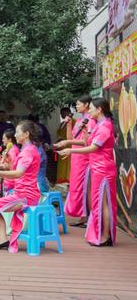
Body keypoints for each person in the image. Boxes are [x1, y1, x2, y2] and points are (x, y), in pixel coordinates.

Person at [57, 98, 116, 247]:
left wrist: (70, 149)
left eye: (91, 109)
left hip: (103, 168)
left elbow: (93, 148)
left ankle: (105, 236)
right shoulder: (99, 125)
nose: (89, 112)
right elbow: (87, 142)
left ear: (99, 109)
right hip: (97, 167)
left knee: (103, 204)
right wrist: (83, 134)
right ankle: (101, 234)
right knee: (98, 203)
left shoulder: (105, 127)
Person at [0, 121, 41, 253]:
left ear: (26, 134)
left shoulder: (27, 152)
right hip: (23, 192)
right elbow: (14, 170)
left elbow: (18, 173)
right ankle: (1, 238)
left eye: (18, 132)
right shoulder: (27, 150)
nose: (15, 135)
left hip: (25, 195)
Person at [53, 95, 96, 227]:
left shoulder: (91, 120)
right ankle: (83, 216)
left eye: (78, 104)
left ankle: (88, 216)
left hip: (84, 158)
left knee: (84, 188)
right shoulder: (79, 120)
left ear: (87, 104)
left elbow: (86, 142)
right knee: (76, 187)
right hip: (76, 157)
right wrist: (68, 125)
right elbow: (71, 137)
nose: (76, 107)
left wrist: (67, 142)